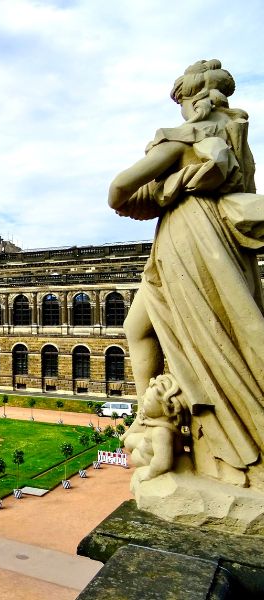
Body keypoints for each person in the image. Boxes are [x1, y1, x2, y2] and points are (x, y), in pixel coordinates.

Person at [110, 59, 264, 488]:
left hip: (189, 236)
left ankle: (168, 423)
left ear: (190, 99)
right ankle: (154, 418)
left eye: (179, 101)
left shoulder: (186, 138)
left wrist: (163, 188)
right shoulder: (238, 136)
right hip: (215, 237)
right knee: (213, 328)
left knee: (205, 335)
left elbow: (118, 191)